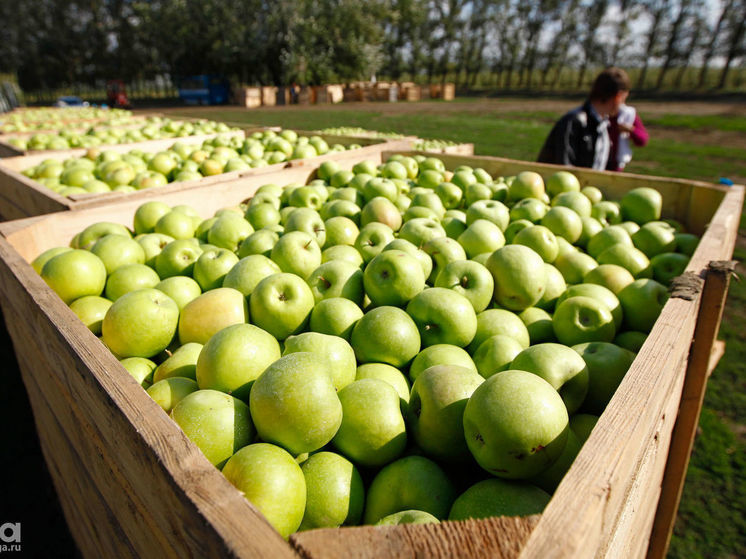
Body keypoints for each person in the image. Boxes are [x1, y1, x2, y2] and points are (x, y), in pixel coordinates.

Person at [537, 67, 631, 170]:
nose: (623, 105)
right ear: (618, 97)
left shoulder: (604, 125)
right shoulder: (573, 122)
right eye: (624, 99)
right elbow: (564, 169)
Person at [606, 103, 649, 171]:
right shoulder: (597, 113)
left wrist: (631, 130)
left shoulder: (627, 114)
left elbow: (642, 140)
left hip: (616, 164)